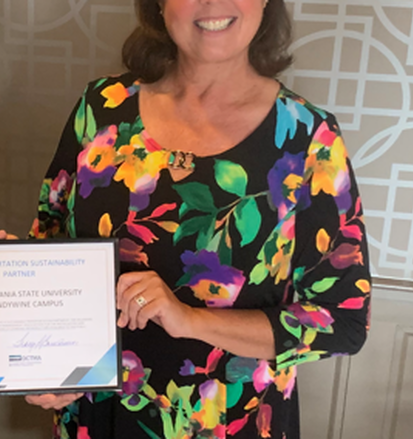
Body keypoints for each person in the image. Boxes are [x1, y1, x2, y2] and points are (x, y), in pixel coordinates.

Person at [26, 0, 371, 438]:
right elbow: (47, 254)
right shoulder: (101, 109)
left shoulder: (308, 139)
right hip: (99, 415)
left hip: (229, 421)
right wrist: (44, 372)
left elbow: (342, 321)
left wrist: (189, 318)